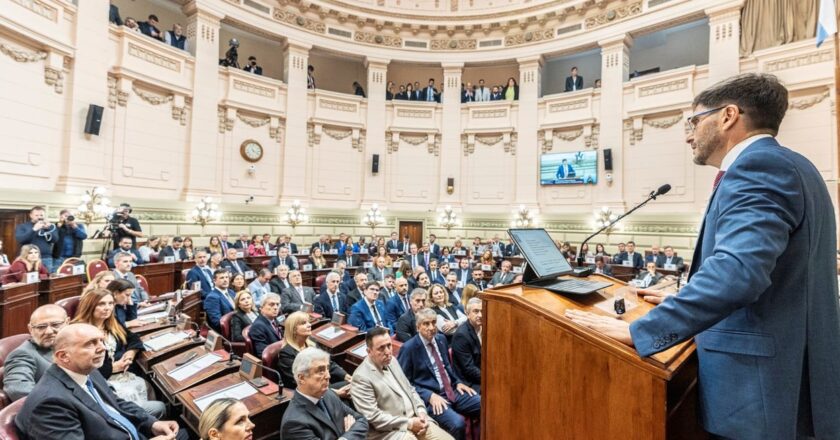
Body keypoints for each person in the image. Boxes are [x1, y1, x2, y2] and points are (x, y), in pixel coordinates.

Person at [565, 73, 840, 439]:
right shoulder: (796, 166)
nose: (688, 134)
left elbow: (738, 273)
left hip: (759, 391)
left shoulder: (757, 169)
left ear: (728, 116)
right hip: (789, 375)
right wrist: (685, 297)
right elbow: (775, 275)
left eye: (694, 121)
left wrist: (643, 329)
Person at [15, 323, 186, 440]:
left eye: (101, 341)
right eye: (90, 344)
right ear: (63, 356)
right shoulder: (50, 403)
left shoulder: (88, 370)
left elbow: (116, 403)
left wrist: (152, 423)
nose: (102, 348)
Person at [71, 289, 167, 418]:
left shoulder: (111, 322)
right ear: (90, 306)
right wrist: (113, 367)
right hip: (101, 384)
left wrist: (130, 353)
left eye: (111, 303)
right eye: (101, 304)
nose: (107, 308)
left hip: (122, 375)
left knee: (149, 384)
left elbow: (133, 338)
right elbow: (84, 370)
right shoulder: (79, 331)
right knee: (157, 405)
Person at [351, 327, 454, 440]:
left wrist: (421, 411)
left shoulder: (392, 361)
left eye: (389, 345)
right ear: (369, 352)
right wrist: (409, 423)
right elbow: (374, 418)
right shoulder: (361, 377)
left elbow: (410, 389)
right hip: (390, 432)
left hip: (416, 419)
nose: (387, 352)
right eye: (381, 348)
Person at [398, 308, 480, 440]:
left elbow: (447, 367)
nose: (431, 327)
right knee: (457, 423)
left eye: (433, 322)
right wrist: (428, 395)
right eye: (426, 324)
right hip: (432, 398)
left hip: (452, 390)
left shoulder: (441, 339)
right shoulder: (409, 348)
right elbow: (404, 383)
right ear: (418, 327)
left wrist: (458, 382)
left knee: (484, 405)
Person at [280, 347, 368, 439]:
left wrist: (346, 436)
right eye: (321, 371)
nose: (328, 376)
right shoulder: (294, 423)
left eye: (327, 369)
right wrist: (347, 435)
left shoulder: (328, 394)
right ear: (302, 378)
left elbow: (361, 421)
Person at [3, 305, 68, 402]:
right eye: (41, 327)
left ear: (67, 323)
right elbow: (18, 390)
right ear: (30, 329)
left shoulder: (71, 344)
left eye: (55, 325)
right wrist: (62, 405)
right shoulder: (22, 355)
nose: (49, 331)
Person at [277, 312, 352, 394]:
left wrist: (346, 376)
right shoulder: (286, 353)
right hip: (309, 392)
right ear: (293, 329)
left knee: (354, 384)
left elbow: (329, 363)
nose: (309, 325)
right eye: (303, 323)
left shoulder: (312, 343)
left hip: (324, 385)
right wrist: (334, 393)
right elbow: (302, 381)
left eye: (308, 322)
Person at [15, 205, 57, 273]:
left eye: (41, 215)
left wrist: (48, 229)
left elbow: (55, 240)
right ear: (31, 215)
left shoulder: (50, 226)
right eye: (36, 215)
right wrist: (34, 229)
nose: (39, 217)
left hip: (46, 258)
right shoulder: (22, 226)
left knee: (47, 280)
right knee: (29, 279)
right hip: (28, 258)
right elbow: (21, 240)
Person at [451, 298, 481, 389]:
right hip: (470, 382)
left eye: (482, 311)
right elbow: (469, 369)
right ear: (467, 314)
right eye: (476, 311)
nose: (480, 315)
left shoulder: (485, 327)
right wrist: (491, 378)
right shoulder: (461, 336)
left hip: (482, 373)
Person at [247, 292, 283, 357]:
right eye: (271, 304)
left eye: (277, 304)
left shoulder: (274, 320)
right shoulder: (258, 326)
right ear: (261, 308)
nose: (275, 307)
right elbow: (263, 353)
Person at [204, 269, 235, 333]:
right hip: (228, 332)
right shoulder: (212, 297)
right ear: (214, 281)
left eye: (227, 277)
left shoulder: (231, 292)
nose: (225, 280)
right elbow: (217, 322)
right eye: (222, 278)